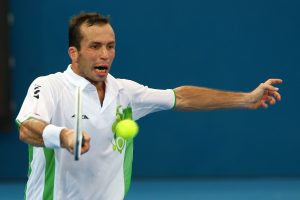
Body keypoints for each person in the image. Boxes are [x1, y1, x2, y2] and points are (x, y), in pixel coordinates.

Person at [16, 12, 282, 200]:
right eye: (95, 46)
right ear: (74, 53)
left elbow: (182, 97)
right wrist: (64, 135)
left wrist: (246, 98)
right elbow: (27, 129)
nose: (105, 54)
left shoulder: (125, 91)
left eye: (110, 46)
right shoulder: (49, 86)